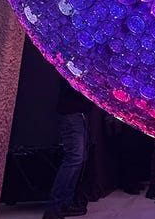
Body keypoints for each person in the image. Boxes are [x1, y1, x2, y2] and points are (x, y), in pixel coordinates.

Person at [43, 78, 92, 219]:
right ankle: (54, 208)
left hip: (77, 114)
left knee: (78, 158)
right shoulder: (72, 68)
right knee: (74, 158)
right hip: (71, 114)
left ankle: (65, 204)